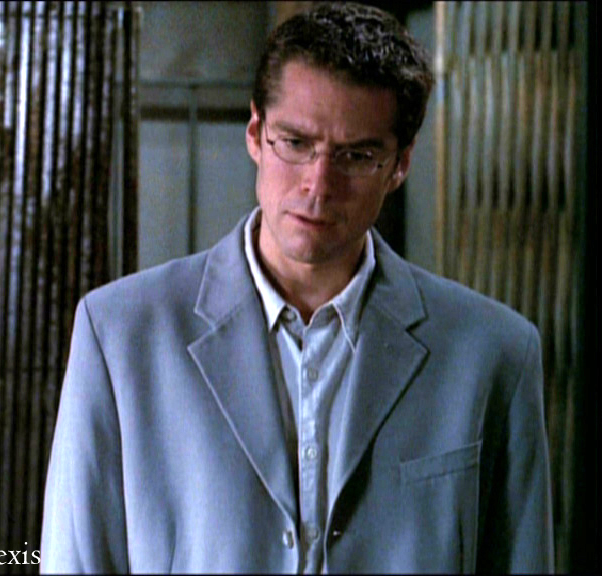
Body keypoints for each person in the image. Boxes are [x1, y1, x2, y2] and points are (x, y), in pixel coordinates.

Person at [40, 3, 554, 573]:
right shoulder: (121, 334)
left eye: (357, 156)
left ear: (401, 164)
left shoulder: (493, 352)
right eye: (296, 142)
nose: (319, 185)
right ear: (256, 134)